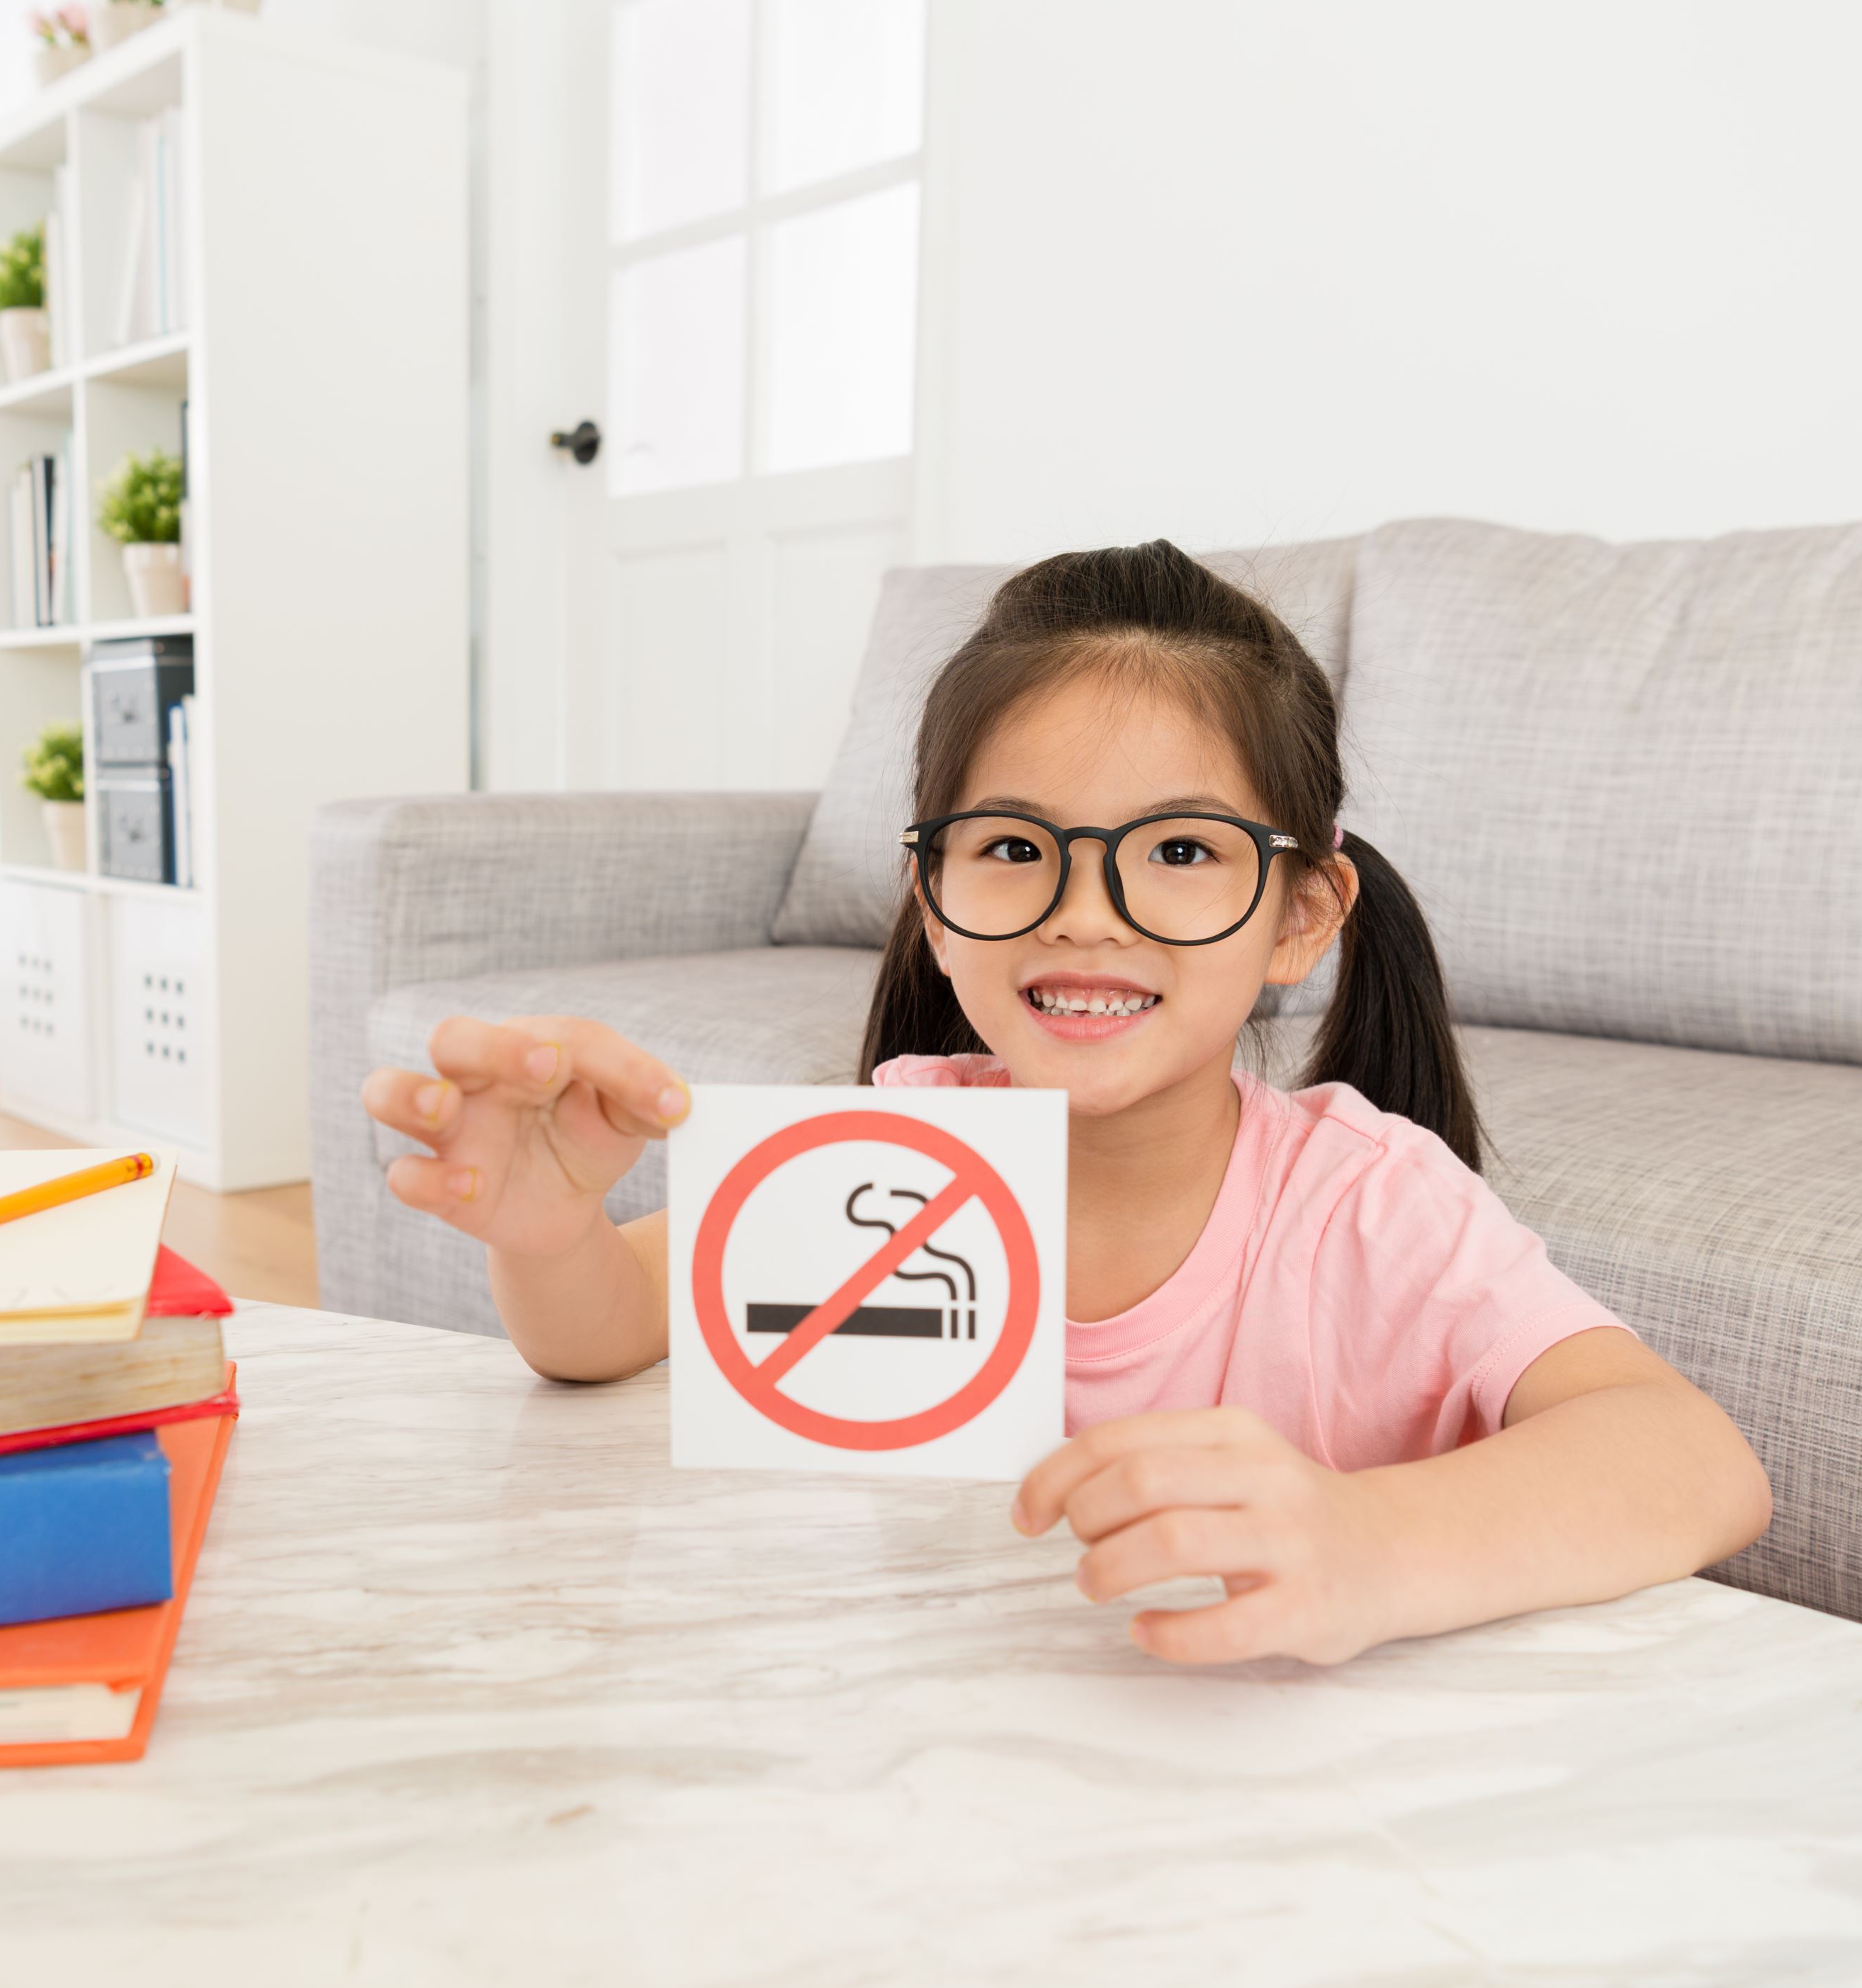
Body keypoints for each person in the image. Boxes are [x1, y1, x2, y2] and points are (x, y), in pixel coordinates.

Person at [361, 543, 1771, 1666]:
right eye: (1014, 845)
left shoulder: (1365, 1202)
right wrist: (550, 1233)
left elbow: (1693, 1461)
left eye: (1174, 848)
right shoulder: (901, 1153)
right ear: (929, 894)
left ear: (1297, 914)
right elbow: (615, 1328)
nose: (1084, 912)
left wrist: (1369, 1538)